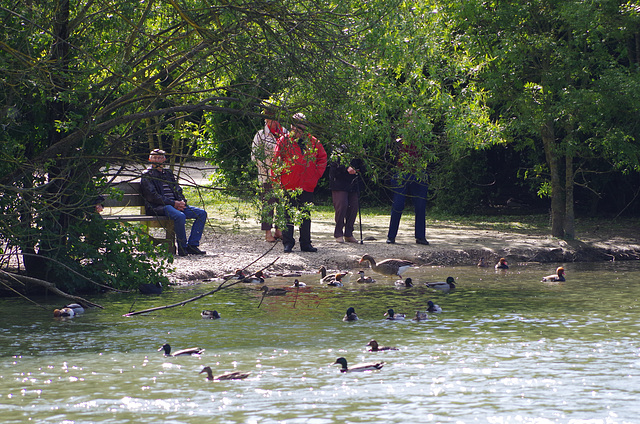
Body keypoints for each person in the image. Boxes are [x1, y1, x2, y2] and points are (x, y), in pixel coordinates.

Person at [272, 113, 327, 253]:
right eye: (295, 126)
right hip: (288, 183)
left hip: (307, 184)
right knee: (287, 214)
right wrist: (277, 180)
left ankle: (306, 243)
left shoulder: (313, 142)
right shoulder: (283, 141)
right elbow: (276, 161)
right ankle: (288, 243)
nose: (297, 129)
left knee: (305, 215)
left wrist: (315, 176)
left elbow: (322, 158)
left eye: (300, 126)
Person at [140, 149, 208, 256]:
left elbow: (177, 190)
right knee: (180, 216)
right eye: (155, 157)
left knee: (201, 213)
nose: (157, 160)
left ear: (164, 159)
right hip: (158, 207)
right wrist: (173, 203)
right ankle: (182, 247)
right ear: (150, 159)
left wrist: (182, 202)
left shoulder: (168, 174)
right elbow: (153, 196)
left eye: (160, 157)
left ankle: (192, 246)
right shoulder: (147, 175)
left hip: (174, 205)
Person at [386, 134, 430, 246]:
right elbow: (389, 156)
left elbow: (428, 155)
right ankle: (391, 236)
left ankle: (420, 236)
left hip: (419, 173)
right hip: (401, 173)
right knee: (398, 205)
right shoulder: (397, 140)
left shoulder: (423, 138)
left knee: (420, 205)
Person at [251, 108, 287, 242]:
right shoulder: (260, 135)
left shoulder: (285, 133)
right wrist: (267, 167)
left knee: (282, 203)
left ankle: (279, 230)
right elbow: (255, 156)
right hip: (267, 174)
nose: (273, 121)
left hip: (283, 175)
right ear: (266, 119)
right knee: (268, 204)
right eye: (270, 118)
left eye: (275, 117)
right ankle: (267, 233)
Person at [329, 151, 362, 243]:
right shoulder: (337, 149)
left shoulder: (358, 147)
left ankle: (348, 233)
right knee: (342, 205)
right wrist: (346, 168)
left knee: (354, 206)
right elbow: (334, 166)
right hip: (339, 182)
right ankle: (338, 233)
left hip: (353, 182)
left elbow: (362, 164)